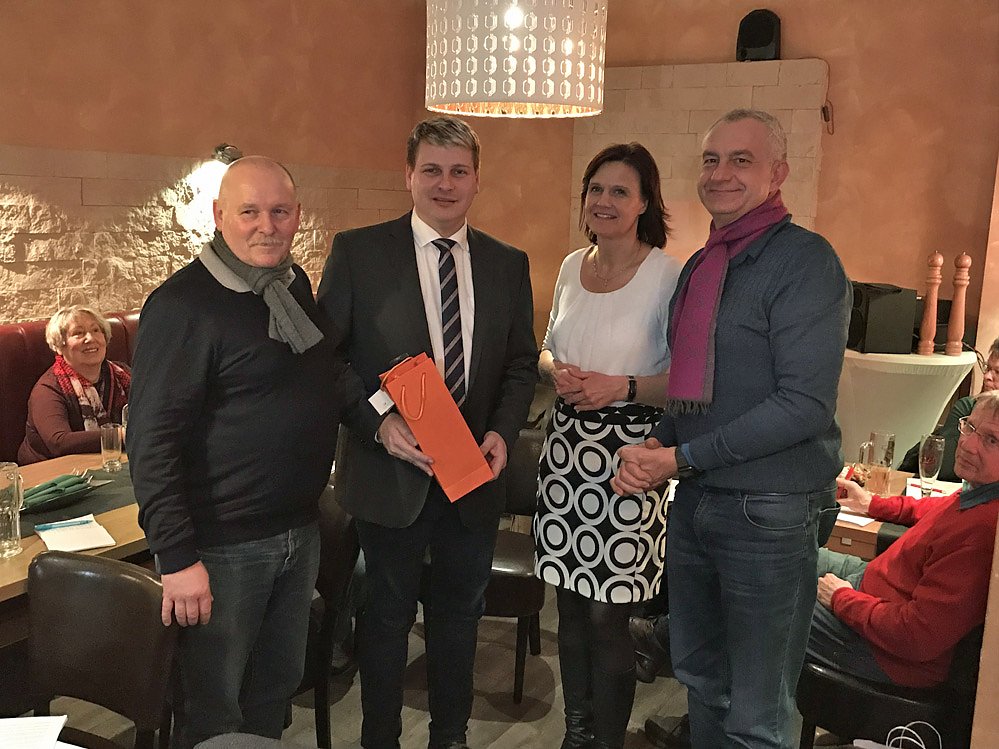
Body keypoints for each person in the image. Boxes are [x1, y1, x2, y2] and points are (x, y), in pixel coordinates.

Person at [612, 109, 851, 749]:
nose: (721, 174)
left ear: (779, 172)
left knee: (758, 711)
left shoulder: (806, 263)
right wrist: (661, 442)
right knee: (702, 681)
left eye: (741, 160)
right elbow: (695, 388)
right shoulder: (702, 265)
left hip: (769, 511)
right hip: (698, 502)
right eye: (711, 160)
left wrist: (680, 458)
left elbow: (803, 404)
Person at [316, 116, 538, 749]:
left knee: (459, 622)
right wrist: (378, 423)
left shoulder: (507, 263)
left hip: (474, 478)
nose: (446, 184)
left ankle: (451, 738)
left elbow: (521, 363)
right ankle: (380, 741)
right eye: (432, 170)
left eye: (459, 171)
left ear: (476, 180)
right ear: (408, 176)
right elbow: (327, 360)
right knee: (384, 623)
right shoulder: (358, 253)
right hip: (391, 476)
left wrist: (503, 432)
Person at [128, 156, 348, 748]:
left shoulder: (292, 288)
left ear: (297, 216)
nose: (266, 226)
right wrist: (176, 558)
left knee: (272, 698)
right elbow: (151, 442)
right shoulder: (183, 305)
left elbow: (322, 377)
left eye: (280, 211)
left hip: (297, 535)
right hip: (221, 548)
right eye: (249, 212)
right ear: (219, 215)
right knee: (212, 713)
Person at [534, 142, 680, 749]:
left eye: (621, 191)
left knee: (607, 614)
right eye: (596, 189)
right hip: (566, 450)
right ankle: (576, 732)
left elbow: (688, 380)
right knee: (568, 608)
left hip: (630, 457)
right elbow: (546, 346)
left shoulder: (668, 275)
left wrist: (621, 386)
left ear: (645, 202)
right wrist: (556, 370)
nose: (605, 200)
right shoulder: (572, 265)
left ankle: (606, 741)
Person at [808, 390, 999, 690]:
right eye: (970, 427)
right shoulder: (980, 493)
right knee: (789, 554)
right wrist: (872, 503)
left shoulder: (984, 531)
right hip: (872, 590)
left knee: (764, 606)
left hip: (887, 654)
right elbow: (937, 508)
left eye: (991, 440)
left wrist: (841, 598)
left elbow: (917, 636)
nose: (967, 444)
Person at [18, 305, 130, 464]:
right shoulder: (48, 389)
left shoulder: (123, 374)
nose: (90, 338)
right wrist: (123, 435)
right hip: (52, 472)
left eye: (96, 330)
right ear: (59, 345)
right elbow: (59, 442)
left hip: (113, 463)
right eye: (78, 333)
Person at [898, 336, 999, 481]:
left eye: (998, 372)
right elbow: (944, 469)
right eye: (987, 368)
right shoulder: (967, 407)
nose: (987, 377)